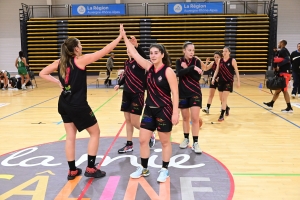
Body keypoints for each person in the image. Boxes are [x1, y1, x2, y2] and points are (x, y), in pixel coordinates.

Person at [39, 24, 123, 181]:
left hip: (63, 102)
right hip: (78, 104)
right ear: (76, 49)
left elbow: (42, 73)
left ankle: (72, 170)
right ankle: (90, 168)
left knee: (70, 136)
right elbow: (104, 51)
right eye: (80, 44)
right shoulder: (81, 60)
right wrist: (119, 37)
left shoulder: (60, 62)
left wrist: (58, 83)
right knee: (95, 132)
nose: (82, 46)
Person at [121, 26, 179, 183]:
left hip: (164, 110)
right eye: (151, 53)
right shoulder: (148, 67)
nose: (153, 55)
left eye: (156, 53)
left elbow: (175, 93)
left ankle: (164, 170)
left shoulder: (168, 71)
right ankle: (144, 168)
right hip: (149, 109)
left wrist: (175, 113)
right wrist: (124, 37)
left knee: (165, 142)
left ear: (162, 55)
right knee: (142, 140)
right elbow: (133, 53)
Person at [114, 36, 156, 153]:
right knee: (127, 120)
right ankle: (129, 144)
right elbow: (126, 76)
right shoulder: (126, 63)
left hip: (137, 93)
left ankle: (150, 133)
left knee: (134, 122)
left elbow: (143, 57)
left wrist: (137, 46)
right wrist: (119, 84)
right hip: (126, 93)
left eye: (131, 48)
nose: (129, 50)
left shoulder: (139, 62)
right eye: (128, 48)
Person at [176, 41, 204, 154]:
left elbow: (196, 77)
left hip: (195, 92)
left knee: (195, 118)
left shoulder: (197, 61)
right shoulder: (179, 61)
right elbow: (179, 73)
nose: (192, 52)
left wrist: (188, 67)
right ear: (184, 51)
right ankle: (186, 138)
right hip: (183, 93)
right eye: (189, 50)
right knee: (185, 118)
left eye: (193, 50)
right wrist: (191, 68)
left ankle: (196, 142)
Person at [263, 40, 293, 112]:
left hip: (285, 74)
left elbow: (287, 59)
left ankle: (289, 107)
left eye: (279, 43)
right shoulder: (282, 51)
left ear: (282, 43)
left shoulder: (283, 50)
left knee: (284, 91)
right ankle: (271, 103)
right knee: (278, 90)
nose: (278, 44)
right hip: (282, 73)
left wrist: (279, 65)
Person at [212, 46, 240, 121]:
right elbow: (217, 70)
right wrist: (213, 78)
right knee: (221, 99)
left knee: (224, 98)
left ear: (229, 52)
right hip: (221, 81)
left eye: (226, 51)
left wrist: (238, 81)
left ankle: (222, 115)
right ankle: (227, 108)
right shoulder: (220, 60)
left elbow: (237, 71)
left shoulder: (232, 60)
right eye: (223, 51)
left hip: (228, 81)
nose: (224, 53)